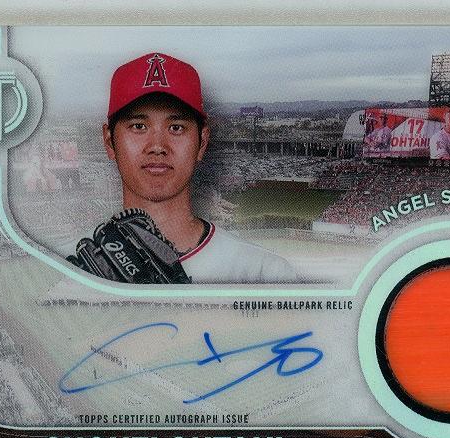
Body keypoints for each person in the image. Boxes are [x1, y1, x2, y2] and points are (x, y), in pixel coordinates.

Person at [94, 52, 297, 283]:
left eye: (176, 127)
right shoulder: (70, 271)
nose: (157, 146)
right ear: (109, 142)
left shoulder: (265, 273)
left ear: (202, 142)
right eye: (138, 126)